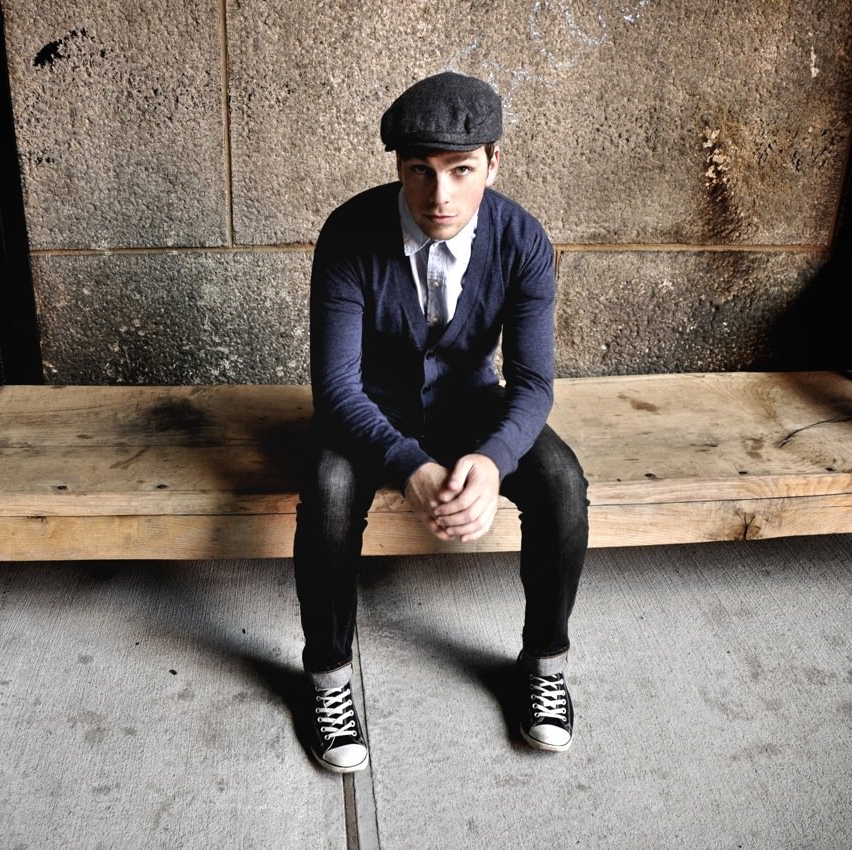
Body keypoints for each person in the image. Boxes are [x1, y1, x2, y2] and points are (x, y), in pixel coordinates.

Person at [293, 71, 590, 773]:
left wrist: (491, 460)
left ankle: (545, 665)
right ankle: (327, 680)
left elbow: (533, 383)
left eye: (460, 170)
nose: (439, 196)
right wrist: (409, 468)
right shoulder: (349, 233)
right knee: (329, 490)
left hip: (470, 402)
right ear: (399, 167)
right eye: (420, 171)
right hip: (369, 410)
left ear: (493, 163)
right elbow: (335, 388)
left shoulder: (522, 240)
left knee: (561, 481)